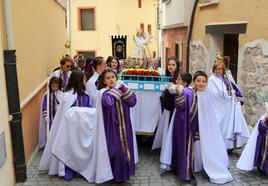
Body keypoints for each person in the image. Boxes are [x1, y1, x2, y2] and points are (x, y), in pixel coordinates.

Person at [38, 70, 93, 181]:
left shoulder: (87, 96)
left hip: (84, 131)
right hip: (71, 131)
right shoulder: (67, 97)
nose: (85, 82)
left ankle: (83, 168)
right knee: (71, 149)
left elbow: (90, 111)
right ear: (79, 81)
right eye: (84, 79)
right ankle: (70, 168)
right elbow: (63, 116)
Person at [97, 69, 137, 182]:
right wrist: (117, 90)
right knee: (114, 150)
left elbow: (133, 102)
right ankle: (113, 175)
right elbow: (108, 103)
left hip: (125, 126)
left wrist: (124, 89)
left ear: (116, 78)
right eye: (108, 78)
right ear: (104, 81)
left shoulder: (122, 89)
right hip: (112, 128)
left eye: (113, 77)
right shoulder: (103, 93)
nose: (111, 80)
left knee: (125, 150)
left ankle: (124, 175)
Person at [207, 55, 249, 152]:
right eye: (217, 69)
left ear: (223, 70)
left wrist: (231, 96)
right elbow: (213, 93)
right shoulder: (211, 80)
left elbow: (233, 90)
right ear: (214, 70)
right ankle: (216, 145)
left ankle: (226, 146)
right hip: (216, 107)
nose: (218, 71)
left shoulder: (225, 80)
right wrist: (228, 96)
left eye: (220, 69)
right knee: (217, 126)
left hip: (226, 108)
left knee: (226, 127)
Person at [152, 57, 180, 150]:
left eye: (173, 65)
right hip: (167, 105)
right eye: (169, 64)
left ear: (177, 66)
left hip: (174, 106)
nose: (170, 66)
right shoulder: (166, 76)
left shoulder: (178, 77)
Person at [237, 102, 268, 174]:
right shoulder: (263, 120)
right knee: (262, 152)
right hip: (263, 139)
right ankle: (262, 167)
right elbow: (261, 127)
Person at [39, 77, 63, 149]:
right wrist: (46, 116)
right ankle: (50, 147)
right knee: (50, 133)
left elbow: (63, 105)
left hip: (58, 119)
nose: (55, 88)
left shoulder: (61, 94)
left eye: (56, 86)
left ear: (59, 86)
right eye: (53, 86)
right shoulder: (47, 95)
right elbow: (44, 106)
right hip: (50, 119)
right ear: (50, 86)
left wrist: (59, 107)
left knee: (58, 133)